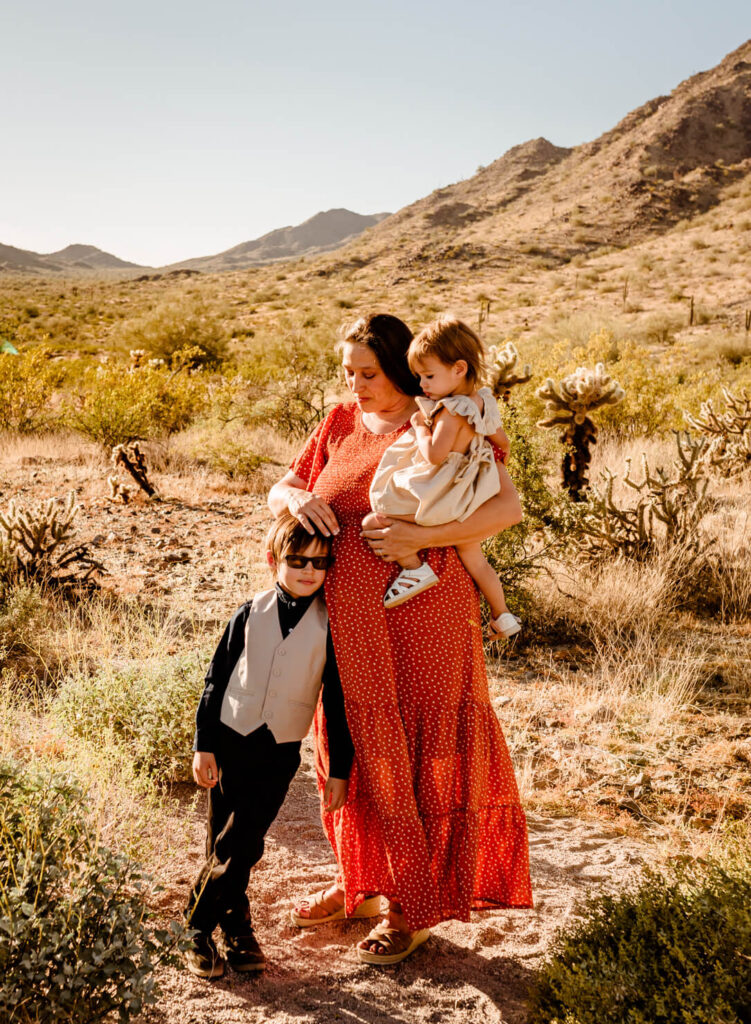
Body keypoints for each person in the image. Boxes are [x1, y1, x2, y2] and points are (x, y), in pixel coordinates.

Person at [269, 313, 532, 967]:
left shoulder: (443, 420)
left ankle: (411, 906)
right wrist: (293, 504)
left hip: (425, 613)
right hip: (349, 621)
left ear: (399, 371)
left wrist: (420, 540)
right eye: (347, 373)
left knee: (420, 749)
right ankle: (360, 882)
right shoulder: (337, 422)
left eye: (367, 373)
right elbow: (286, 483)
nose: (354, 385)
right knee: (354, 746)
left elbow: (506, 507)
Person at [184, 513, 367, 979]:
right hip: (229, 739)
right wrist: (203, 743)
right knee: (223, 838)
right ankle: (235, 924)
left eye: (320, 563)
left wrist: (341, 769)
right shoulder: (249, 612)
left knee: (243, 840)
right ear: (274, 560)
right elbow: (215, 681)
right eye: (298, 560)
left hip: (279, 750)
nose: (309, 570)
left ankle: (194, 924)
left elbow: (338, 703)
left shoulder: (331, 627)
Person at [367, 315, 520, 638]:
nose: (422, 385)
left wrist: (421, 427)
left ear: (459, 369)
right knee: (475, 558)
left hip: (443, 491)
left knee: (377, 517)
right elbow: (503, 443)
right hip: (468, 493)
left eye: (429, 376)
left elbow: (435, 455)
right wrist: (486, 454)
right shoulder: (483, 401)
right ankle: (502, 614)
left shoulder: (452, 410)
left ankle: (414, 568)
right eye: (419, 376)